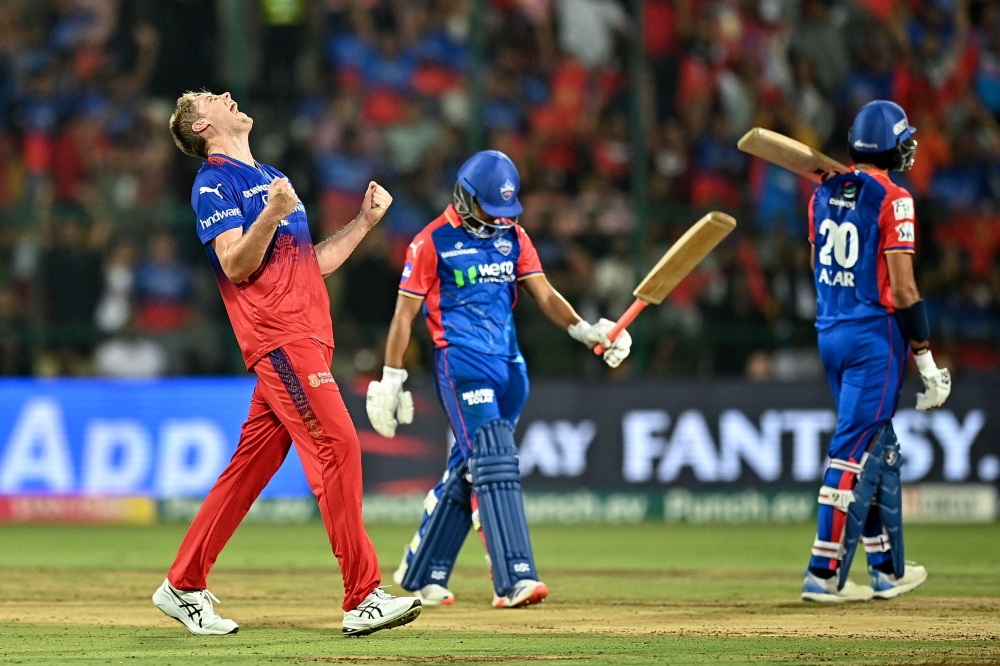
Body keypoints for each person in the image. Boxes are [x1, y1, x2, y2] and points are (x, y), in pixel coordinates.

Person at [152, 90, 421, 637]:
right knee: (338, 445)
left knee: (248, 471)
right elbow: (235, 263)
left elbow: (309, 264)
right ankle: (363, 596)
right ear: (202, 125)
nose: (227, 96)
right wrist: (272, 213)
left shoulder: (272, 175)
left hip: (309, 338)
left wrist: (362, 223)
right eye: (212, 98)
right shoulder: (213, 183)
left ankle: (183, 584)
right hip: (280, 340)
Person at [365, 151, 632, 608]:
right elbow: (404, 314)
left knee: (470, 465)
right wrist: (392, 377)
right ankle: (514, 577)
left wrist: (586, 331)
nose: (497, 219)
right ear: (465, 197)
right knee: (493, 459)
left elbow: (544, 294)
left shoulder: (514, 236)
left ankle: (422, 569)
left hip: (510, 367)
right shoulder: (431, 242)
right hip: (461, 364)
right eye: (489, 208)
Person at [801, 100, 952, 603]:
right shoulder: (895, 199)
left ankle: (887, 569)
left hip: (831, 330)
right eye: (904, 141)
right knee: (851, 451)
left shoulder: (822, 195)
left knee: (879, 449)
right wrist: (926, 360)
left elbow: (819, 266)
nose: (909, 148)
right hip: (874, 337)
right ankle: (823, 573)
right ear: (891, 147)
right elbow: (904, 290)